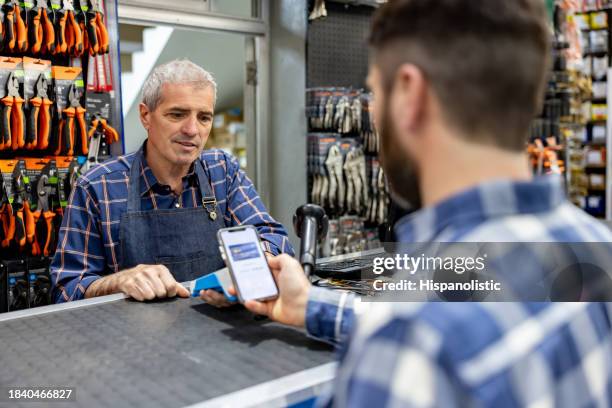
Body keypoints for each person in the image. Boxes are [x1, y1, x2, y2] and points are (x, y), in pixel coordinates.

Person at [223, 1, 612, 406]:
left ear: (410, 93)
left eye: (376, 91)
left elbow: (427, 330)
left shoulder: (408, 339)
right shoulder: (590, 247)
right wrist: (309, 304)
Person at [51, 59, 294, 304]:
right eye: (177, 114)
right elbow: (66, 289)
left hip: (217, 330)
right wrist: (119, 281)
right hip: (133, 339)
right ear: (146, 116)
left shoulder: (222, 171)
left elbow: (275, 238)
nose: (192, 129)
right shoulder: (97, 187)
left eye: (204, 118)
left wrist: (253, 261)